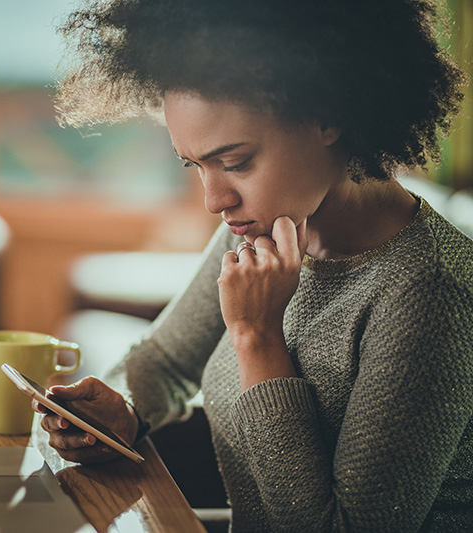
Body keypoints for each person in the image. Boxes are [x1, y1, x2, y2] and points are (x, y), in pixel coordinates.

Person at [35, 0, 473, 531]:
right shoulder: (261, 223)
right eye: (195, 166)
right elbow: (167, 360)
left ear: (328, 116)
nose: (214, 200)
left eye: (236, 162)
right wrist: (121, 411)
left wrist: (258, 338)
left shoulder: (430, 292)